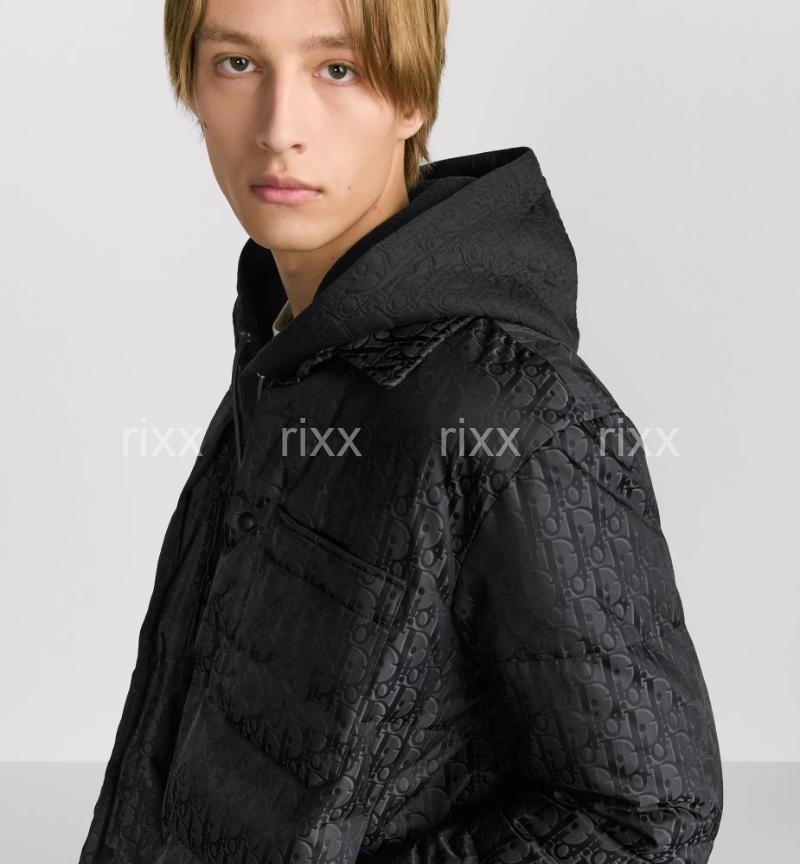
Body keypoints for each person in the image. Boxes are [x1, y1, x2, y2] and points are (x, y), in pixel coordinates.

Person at [78, 1, 724, 862]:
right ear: (192, 85)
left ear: (413, 98)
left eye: (337, 69)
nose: (278, 128)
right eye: (238, 64)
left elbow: (647, 820)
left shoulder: (515, 413)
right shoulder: (286, 353)